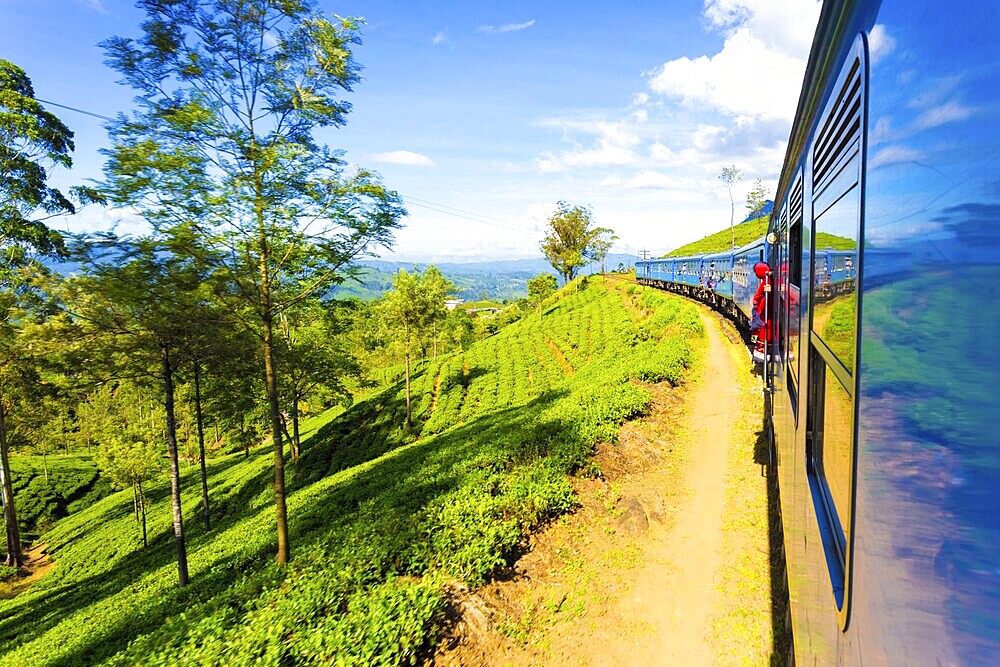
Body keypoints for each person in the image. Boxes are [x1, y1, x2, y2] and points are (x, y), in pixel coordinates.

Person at [751, 261, 771, 363]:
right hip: (768, 313)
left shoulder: (766, 282)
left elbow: (757, 297)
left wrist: (755, 302)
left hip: (765, 313)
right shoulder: (768, 281)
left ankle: (762, 354)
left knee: (763, 332)